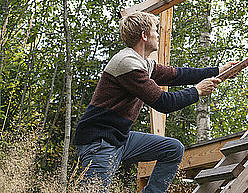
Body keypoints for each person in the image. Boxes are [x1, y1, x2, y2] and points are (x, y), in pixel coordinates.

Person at [73, 11, 237, 193]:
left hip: (120, 137)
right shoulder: (127, 63)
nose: (158, 34)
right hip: (100, 141)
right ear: (144, 35)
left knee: (172, 149)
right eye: (154, 30)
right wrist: (197, 91)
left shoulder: (143, 63)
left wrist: (218, 70)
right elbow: (164, 103)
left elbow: (178, 75)